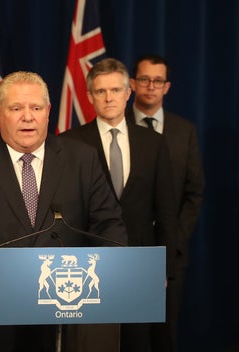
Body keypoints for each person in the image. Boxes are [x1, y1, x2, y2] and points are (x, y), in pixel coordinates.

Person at [0, 71, 128, 352]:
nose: (28, 116)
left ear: (48, 112)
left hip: (65, 318)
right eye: (16, 108)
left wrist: (115, 271)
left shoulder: (81, 157)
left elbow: (108, 223)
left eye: (36, 108)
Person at [61, 58, 176, 352]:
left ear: (129, 93)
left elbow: (165, 211)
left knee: (138, 342)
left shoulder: (153, 142)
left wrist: (162, 267)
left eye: (115, 90)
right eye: (101, 91)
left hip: (140, 264)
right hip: (86, 267)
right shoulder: (69, 143)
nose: (109, 97)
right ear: (89, 97)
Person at [127, 54, 205, 352]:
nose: (151, 86)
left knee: (163, 335)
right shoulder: (115, 130)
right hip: (123, 252)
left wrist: (175, 241)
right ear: (132, 84)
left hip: (168, 253)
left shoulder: (184, 131)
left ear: (167, 87)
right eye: (144, 79)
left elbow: (194, 191)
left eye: (157, 81)